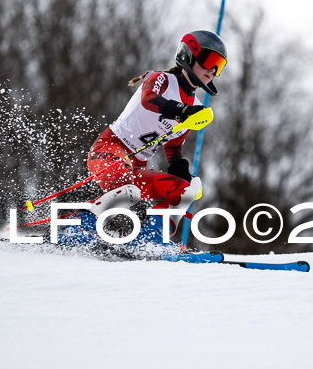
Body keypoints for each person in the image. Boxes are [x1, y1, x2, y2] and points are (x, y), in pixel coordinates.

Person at [86, 30, 228, 240]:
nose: (213, 70)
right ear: (189, 54)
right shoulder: (161, 78)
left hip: (137, 168)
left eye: (220, 66)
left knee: (187, 190)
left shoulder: (195, 107)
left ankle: (153, 236)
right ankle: (83, 224)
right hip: (110, 150)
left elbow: (173, 145)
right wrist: (180, 110)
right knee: (129, 191)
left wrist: (180, 169)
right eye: (210, 61)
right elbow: (148, 98)